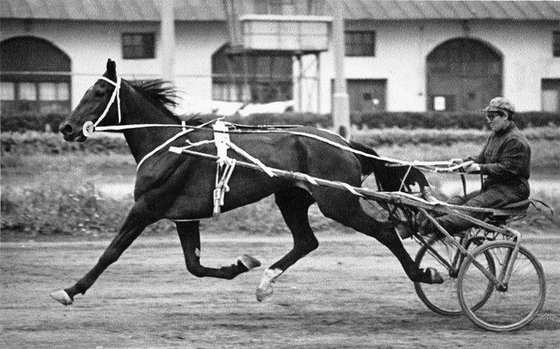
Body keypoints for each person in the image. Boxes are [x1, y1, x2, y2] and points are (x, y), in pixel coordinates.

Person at [400, 97, 532, 239]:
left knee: (472, 207)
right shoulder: (495, 136)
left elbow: (508, 169)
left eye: (492, 116)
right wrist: (463, 163)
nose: (488, 120)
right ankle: (417, 223)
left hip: (512, 190)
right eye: (487, 116)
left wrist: (480, 168)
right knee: (457, 202)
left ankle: (433, 226)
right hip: (494, 188)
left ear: (505, 116)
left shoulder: (515, 140)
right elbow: (481, 159)